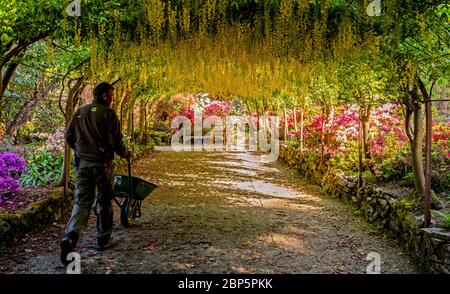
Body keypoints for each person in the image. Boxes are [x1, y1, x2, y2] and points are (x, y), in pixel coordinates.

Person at [60, 82, 131, 266]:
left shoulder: (80, 111)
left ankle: (70, 237)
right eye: (111, 95)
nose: (112, 98)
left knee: (82, 201)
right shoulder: (108, 113)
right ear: (105, 96)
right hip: (102, 165)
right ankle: (103, 238)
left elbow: (68, 136)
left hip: (82, 166)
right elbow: (116, 141)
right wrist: (126, 154)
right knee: (104, 199)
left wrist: (80, 150)